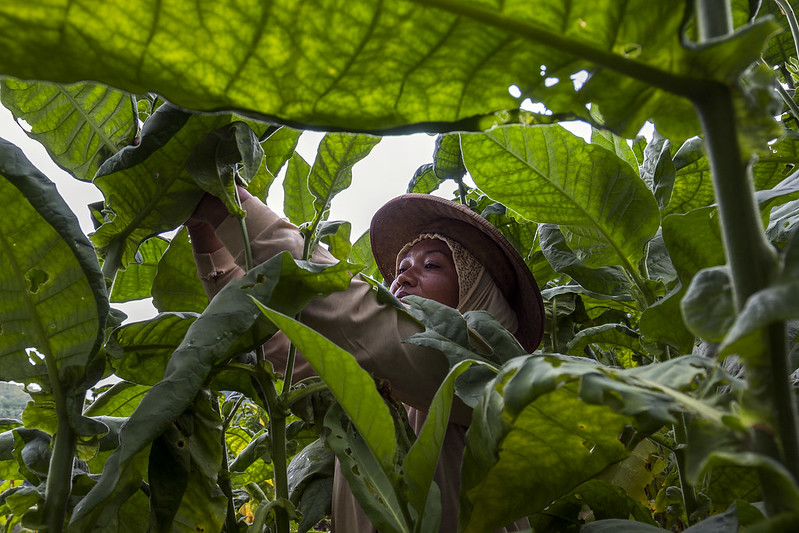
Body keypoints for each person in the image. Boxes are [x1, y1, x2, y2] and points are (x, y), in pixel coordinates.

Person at [185, 188, 544, 532]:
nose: (402, 275)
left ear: (477, 295)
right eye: (401, 266)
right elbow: (273, 343)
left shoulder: (484, 373)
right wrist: (208, 239)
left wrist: (231, 206)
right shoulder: (375, 382)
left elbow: (362, 320)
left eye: (432, 265)